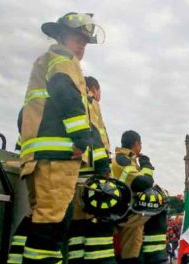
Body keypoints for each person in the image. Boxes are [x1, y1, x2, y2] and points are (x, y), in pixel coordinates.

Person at [7, 12, 104, 263]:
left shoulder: (45, 60)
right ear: (61, 36)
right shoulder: (64, 58)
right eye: (77, 38)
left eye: (85, 41)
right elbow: (66, 95)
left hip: (39, 156)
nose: (81, 45)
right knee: (52, 225)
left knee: (38, 218)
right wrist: (82, 140)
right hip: (56, 158)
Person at [67, 76, 114, 263]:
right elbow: (94, 136)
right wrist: (104, 171)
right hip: (91, 175)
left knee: (77, 226)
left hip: (73, 175)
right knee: (97, 222)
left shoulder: (68, 100)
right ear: (94, 89)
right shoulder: (90, 103)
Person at [112, 130, 155, 264]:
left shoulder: (126, 160)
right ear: (136, 144)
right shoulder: (122, 160)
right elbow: (144, 183)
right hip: (127, 214)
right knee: (130, 257)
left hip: (126, 213)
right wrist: (147, 165)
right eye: (140, 144)